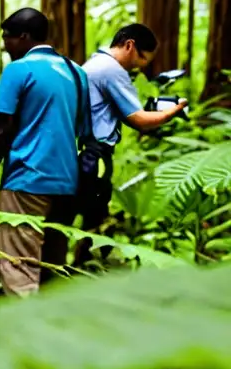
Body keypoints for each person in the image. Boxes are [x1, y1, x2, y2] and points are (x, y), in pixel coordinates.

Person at [0, 7, 90, 296]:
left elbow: (3, 129)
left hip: (25, 182)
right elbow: (82, 129)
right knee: (53, 272)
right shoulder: (76, 72)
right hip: (66, 184)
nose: (4, 45)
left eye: (7, 38)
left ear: (24, 37)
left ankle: (21, 339)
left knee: (20, 269)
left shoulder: (18, 70)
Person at [80, 23, 188, 228]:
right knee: (93, 217)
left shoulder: (96, 62)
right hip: (96, 153)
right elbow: (139, 121)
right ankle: (84, 258)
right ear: (130, 45)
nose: (142, 65)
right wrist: (171, 112)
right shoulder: (112, 70)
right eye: (143, 58)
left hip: (85, 149)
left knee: (84, 211)